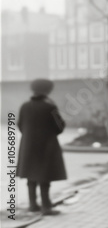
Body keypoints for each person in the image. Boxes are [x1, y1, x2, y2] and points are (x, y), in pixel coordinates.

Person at [17, 79, 66, 216]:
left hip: (28, 145)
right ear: (47, 91)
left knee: (30, 176)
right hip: (46, 146)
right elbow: (59, 127)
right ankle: (46, 207)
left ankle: (33, 205)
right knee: (45, 176)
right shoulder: (50, 107)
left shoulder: (24, 106)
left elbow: (20, 125)